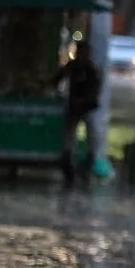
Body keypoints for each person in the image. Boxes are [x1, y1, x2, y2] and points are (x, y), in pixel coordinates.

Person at [51, 41, 102, 185]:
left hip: (86, 107)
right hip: (75, 107)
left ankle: (86, 164)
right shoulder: (73, 66)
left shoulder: (91, 70)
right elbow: (57, 78)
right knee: (69, 137)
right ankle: (69, 164)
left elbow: (95, 91)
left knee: (92, 136)